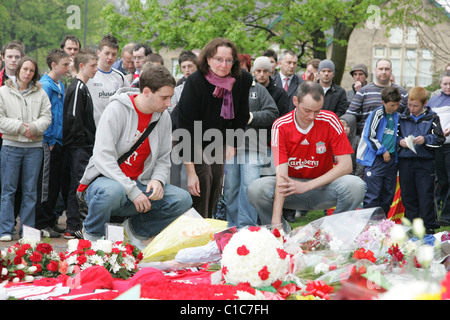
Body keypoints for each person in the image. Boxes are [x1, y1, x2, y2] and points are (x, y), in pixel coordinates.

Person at [78, 65, 192, 248]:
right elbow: (102, 157)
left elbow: (163, 157)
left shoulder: (163, 117)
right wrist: (133, 191)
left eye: (170, 97)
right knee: (111, 191)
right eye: (164, 97)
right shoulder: (116, 109)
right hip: (106, 183)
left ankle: (133, 231)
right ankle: (91, 237)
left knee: (182, 199)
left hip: (141, 185)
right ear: (146, 92)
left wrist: (158, 180)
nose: (169, 103)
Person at [247, 81, 365, 231]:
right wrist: (275, 219)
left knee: (356, 185)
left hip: (323, 187)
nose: (312, 116)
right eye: (307, 110)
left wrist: (306, 186)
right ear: (295, 101)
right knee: (256, 189)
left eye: (317, 111)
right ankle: (279, 232)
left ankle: (333, 232)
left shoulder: (330, 120)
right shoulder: (281, 126)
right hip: (291, 188)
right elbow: (282, 176)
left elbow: (346, 165)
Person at [176, 38, 252, 218]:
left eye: (228, 60)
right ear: (208, 59)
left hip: (217, 138)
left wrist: (233, 143)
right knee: (202, 178)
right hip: (190, 137)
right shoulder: (196, 81)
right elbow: (185, 127)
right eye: (219, 59)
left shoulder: (242, 79)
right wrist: (190, 172)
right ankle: (198, 228)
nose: (224, 65)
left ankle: (209, 223)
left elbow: (241, 116)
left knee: (217, 181)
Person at [0, 57, 52, 241]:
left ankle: (27, 231)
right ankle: (5, 230)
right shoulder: (3, 92)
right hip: (11, 148)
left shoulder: (41, 93)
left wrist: (34, 128)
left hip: (34, 148)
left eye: (31, 70)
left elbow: (47, 116)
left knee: (31, 191)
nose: (28, 73)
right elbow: (1, 119)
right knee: (8, 190)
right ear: (18, 70)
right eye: (25, 69)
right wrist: (23, 128)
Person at [223, 64, 279, 228]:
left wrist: (250, 117)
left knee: (249, 187)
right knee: (230, 188)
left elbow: (272, 112)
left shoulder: (259, 90)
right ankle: (232, 227)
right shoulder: (223, 88)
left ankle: (246, 227)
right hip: (229, 147)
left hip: (253, 147)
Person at [398, 86, 445, 234]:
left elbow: (439, 139)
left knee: (425, 194)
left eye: (416, 105)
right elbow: (394, 136)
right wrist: (400, 142)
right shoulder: (401, 117)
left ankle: (428, 226)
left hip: (425, 163)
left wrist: (425, 139)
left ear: (424, 104)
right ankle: (412, 225)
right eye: (409, 105)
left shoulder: (432, 117)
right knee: (407, 194)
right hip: (405, 161)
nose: (412, 108)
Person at [62, 49, 99, 239]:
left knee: (78, 186)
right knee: (78, 186)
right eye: (93, 66)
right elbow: (73, 117)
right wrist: (84, 142)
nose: (96, 69)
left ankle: (74, 224)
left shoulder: (83, 87)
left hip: (82, 146)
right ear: (82, 66)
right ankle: (74, 225)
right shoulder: (77, 87)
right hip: (79, 147)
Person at [35, 49, 71, 239]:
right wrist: (48, 139)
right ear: (54, 65)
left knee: (55, 183)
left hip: (58, 141)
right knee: (46, 184)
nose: (68, 68)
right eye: (65, 64)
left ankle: (50, 221)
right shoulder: (46, 85)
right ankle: (41, 222)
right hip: (48, 142)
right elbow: (44, 114)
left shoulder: (60, 85)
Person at [356, 86, 401, 216]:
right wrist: (382, 150)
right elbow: (369, 135)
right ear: (383, 103)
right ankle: (369, 225)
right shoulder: (377, 114)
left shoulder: (397, 116)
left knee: (388, 195)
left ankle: (382, 225)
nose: (395, 107)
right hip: (376, 160)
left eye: (397, 104)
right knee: (372, 195)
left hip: (392, 161)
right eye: (392, 105)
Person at [345, 58, 408, 137]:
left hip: (393, 140)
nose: (384, 72)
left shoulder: (402, 92)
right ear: (375, 71)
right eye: (381, 69)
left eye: (387, 69)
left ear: (391, 71)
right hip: (367, 140)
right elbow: (350, 114)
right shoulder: (364, 91)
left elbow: (407, 117)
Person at [253, 56, 289, 175]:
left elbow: (282, 121)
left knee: (269, 178)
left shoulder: (279, 93)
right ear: (254, 72)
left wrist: (269, 142)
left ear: (270, 72)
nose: (262, 74)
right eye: (259, 71)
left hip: (270, 145)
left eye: (265, 71)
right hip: (251, 143)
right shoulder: (247, 90)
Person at [169, 50, 198, 190]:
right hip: (177, 137)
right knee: (174, 176)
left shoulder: (203, 89)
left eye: (190, 66)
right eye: (184, 67)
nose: (187, 70)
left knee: (192, 177)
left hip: (197, 138)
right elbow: (169, 112)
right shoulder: (176, 90)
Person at [87, 35, 130, 126]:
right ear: (98, 53)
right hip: (92, 128)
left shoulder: (120, 77)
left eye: (114, 54)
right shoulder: (89, 75)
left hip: (113, 127)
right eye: (107, 53)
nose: (110, 57)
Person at [427, 70, 450, 226]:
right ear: (440, 84)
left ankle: (447, 216)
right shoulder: (433, 100)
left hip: (449, 144)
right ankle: (438, 213)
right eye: (445, 84)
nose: (448, 87)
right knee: (441, 180)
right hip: (436, 146)